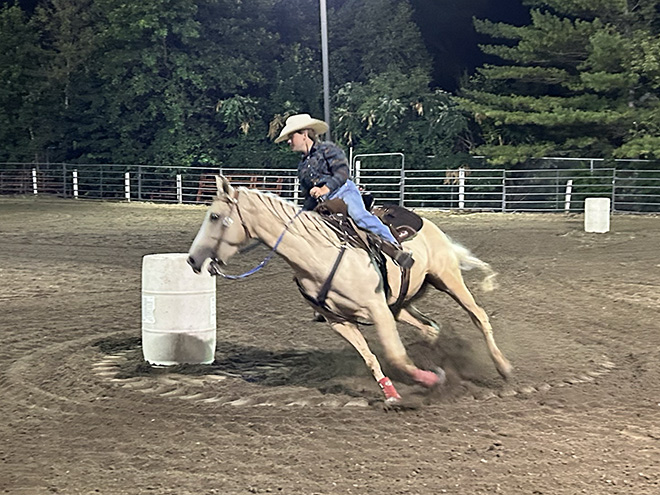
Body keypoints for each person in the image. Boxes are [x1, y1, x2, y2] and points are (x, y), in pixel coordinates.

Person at [275, 113, 413, 268]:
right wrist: (301, 215)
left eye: (291, 136)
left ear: (304, 134)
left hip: (344, 192)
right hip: (323, 203)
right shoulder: (302, 166)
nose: (288, 141)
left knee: (359, 216)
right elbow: (307, 195)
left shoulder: (328, 149)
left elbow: (342, 172)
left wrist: (324, 189)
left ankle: (395, 246)